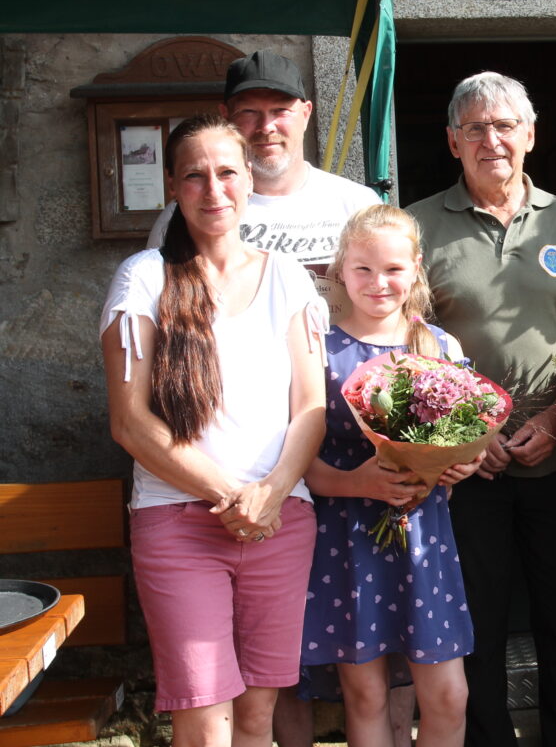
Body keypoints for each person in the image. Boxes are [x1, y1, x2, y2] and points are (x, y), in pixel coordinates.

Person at [100, 113, 327, 747]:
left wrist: (272, 493)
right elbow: (129, 421)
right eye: (195, 175)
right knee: (204, 721)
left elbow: (311, 407)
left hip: (279, 521)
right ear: (172, 185)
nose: (214, 189)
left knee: (258, 718)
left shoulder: (288, 277)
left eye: (227, 172)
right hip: (179, 522)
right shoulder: (145, 276)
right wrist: (234, 495)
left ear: (249, 179)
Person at [406, 71, 556, 747]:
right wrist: (466, 434)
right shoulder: (418, 224)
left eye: (504, 126)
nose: (491, 140)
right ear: (452, 142)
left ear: (529, 134)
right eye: (475, 128)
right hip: (468, 472)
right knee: (478, 625)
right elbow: (406, 348)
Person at [298, 205, 482, 747]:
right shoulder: (320, 353)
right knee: (366, 696)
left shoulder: (439, 347)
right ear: (339, 271)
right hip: (348, 542)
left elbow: (466, 441)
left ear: (416, 269)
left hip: (425, 541)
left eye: (393, 269)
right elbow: (302, 468)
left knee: (449, 695)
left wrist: (463, 463)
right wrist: (360, 482)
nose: (379, 283)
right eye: (363, 269)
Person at [147, 49, 380, 287]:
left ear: (306, 113)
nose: (266, 126)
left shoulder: (357, 205)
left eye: (281, 111)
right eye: (249, 112)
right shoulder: (189, 216)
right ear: (226, 117)